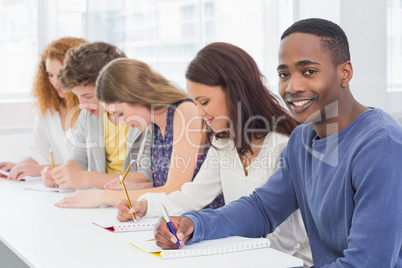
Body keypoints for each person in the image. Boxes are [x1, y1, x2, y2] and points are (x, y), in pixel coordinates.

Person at [153, 18, 402, 267]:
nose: (292, 87)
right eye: (284, 74)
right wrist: (195, 224)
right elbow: (262, 209)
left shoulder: (382, 145)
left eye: (309, 72)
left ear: (344, 73)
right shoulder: (302, 139)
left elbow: (369, 262)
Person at [116, 42, 312, 264]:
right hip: (243, 254)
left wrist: (217, 240)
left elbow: (288, 240)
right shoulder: (225, 142)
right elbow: (194, 195)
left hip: (287, 259)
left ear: (236, 90)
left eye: (205, 102)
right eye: (196, 104)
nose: (200, 113)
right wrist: (145, 205)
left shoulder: (284, 144)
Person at [55, 58, 224, 209]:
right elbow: (166, 184)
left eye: (120, 114)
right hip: (177, 217)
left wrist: (103, 197)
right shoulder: (155, 124)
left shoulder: (185, 112)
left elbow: (175, 191)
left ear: (136, 95)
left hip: (206, 221)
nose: (122, 122)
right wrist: (137, 188)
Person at [41, 42, 152, 194]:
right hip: (104, 202)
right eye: (77, 96)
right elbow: (78, 159)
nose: (82, 105)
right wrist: (61, 175)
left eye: (87, 96)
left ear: (111, 85)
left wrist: (85, 178)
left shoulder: (143, 116)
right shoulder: (90, 115)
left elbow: (146, 177)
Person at [0, 37, 87, 180]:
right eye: (50, 75)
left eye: (60, 74)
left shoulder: (91, 109)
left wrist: (39, 169)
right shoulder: (47, 108)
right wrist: (21, 165)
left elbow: (88, 166)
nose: (55, 82)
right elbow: (39, 153)